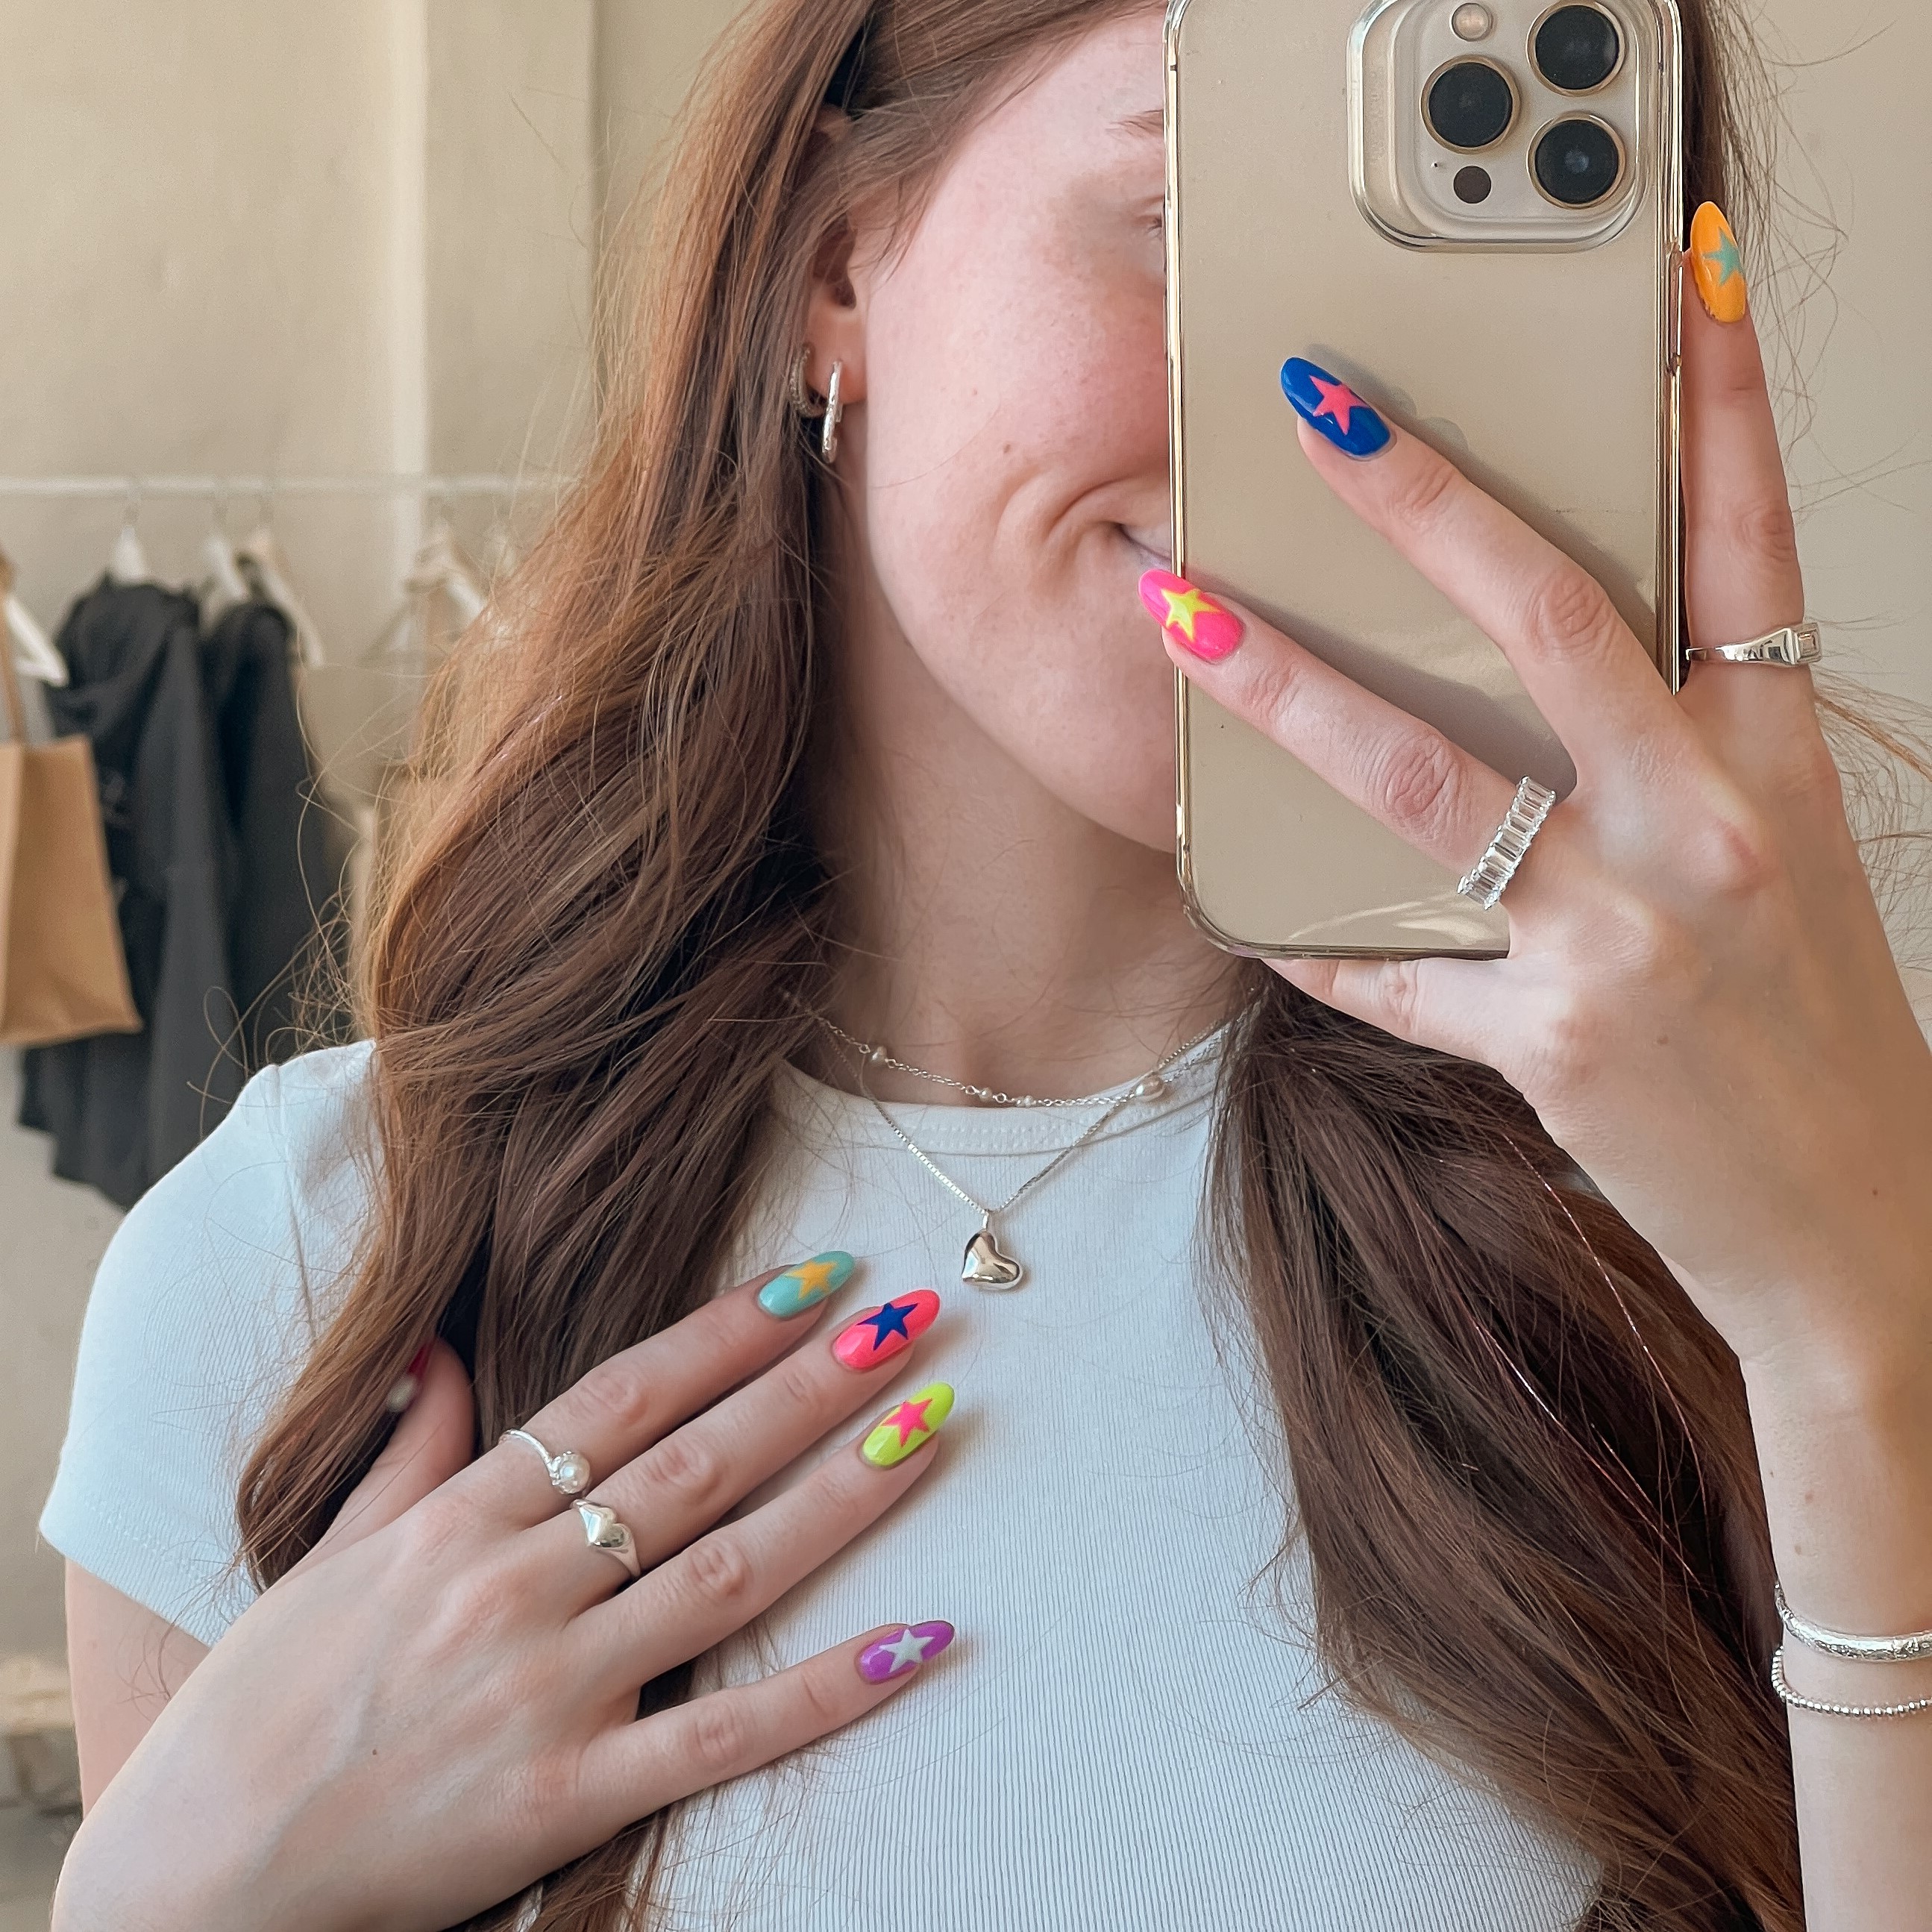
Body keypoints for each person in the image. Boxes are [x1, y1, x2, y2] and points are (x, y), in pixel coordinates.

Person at [43, 2, 1932, 1928]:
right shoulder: (309, 1260)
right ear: (831, 263)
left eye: (1471, 290)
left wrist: (1859, 1331)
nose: (1325, 418)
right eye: (1202, 217)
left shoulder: (1726, 1227)